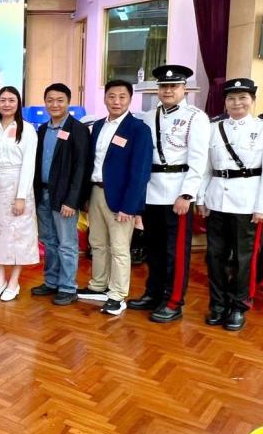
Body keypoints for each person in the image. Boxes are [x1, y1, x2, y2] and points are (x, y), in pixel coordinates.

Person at [128, 65, 210, 322]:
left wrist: (187, 194)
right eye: (164, 86)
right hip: (152, 191)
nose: (168, 90)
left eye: (174, 86)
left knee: (176, 251)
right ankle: (153, 293)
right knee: (153, 248)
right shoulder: (148, 116)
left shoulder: (196, 117)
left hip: (177, 192)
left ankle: (173, 301)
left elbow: (199, 160)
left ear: (184, 88)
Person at [78, 80, 152, 315]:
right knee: (97, 243)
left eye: (122, 97)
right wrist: (86, 196)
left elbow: (140, 172)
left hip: (121, 199)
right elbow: (92, 162)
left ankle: (118, 294)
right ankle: (99, 285)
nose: (116, 101)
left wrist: (130, 206)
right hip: (96, 192)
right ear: (105, 99)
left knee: (119, 247)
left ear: (130, 99)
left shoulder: (138, 129)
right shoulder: (99, 125)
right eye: (111, 96)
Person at [196, 78, 263, 331]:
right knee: (215, 256)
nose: (237, 103)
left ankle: (238, 305)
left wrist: (261, 206)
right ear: (225, 102)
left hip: (247, 204)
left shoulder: (261, 128)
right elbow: (206, 167)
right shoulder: (214, 127)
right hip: (216, 201)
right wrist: (201, 198)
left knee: (244, 258)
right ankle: (218, 304)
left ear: (252, 100)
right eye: (231, 98)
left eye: (243, 98)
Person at [30, 83, 91, 306]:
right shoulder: (42, 130)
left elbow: (81, 167)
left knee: (67, 244)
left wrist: (72, 201)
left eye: (60, 100)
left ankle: (67, 287)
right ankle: (52, 281)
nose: (54, 104)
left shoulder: (78, 129)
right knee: (49, 241)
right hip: (43, 194)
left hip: (64, 198)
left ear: (68, 102)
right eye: (50, 100)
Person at [0, 86, 38, 301]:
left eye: (11, 100)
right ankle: (0, 281)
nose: (6, 104)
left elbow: (29, 165)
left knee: (18, 236)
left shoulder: (27, 130)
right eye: (2, 100)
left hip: (17, 187)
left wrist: (21, 196)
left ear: (18, 103)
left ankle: (14, 282)